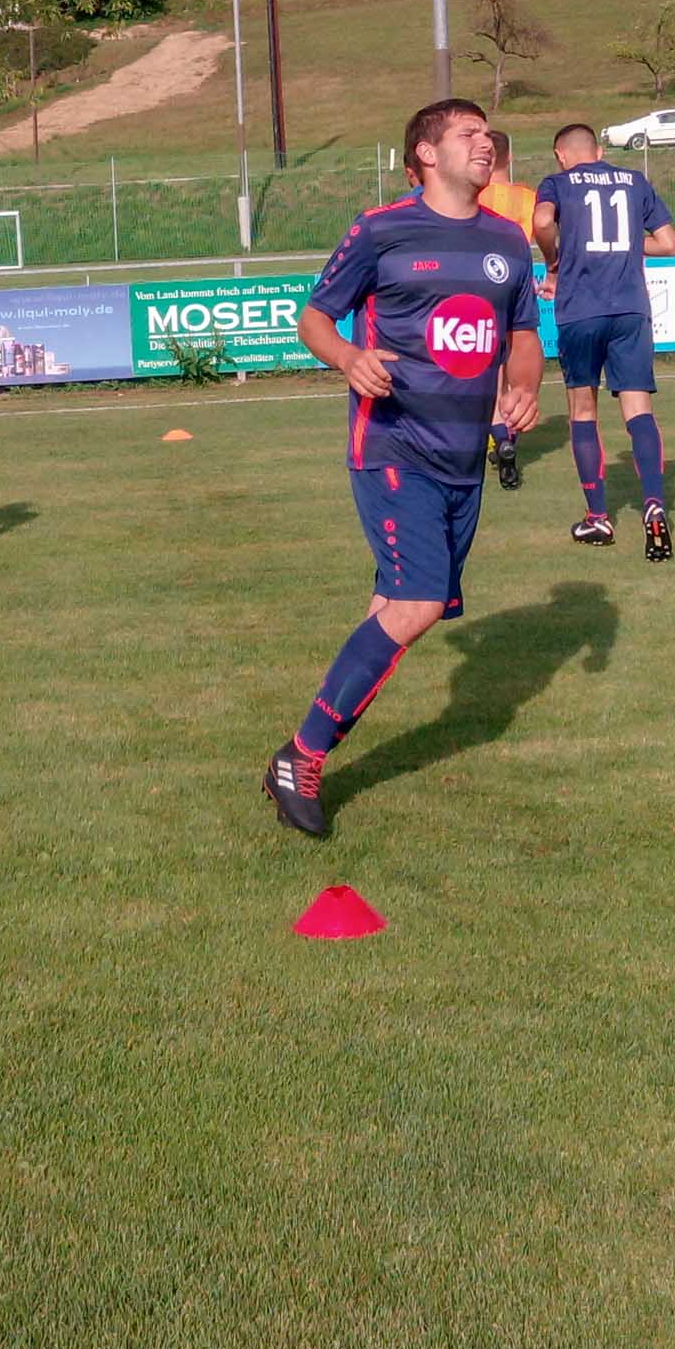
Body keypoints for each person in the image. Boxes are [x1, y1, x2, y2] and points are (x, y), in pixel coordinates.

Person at [260, 99, 543, 836]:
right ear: (425, 152)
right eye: (467, 134)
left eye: (487, 134)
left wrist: (523, 388)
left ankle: (311, 749)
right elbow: (315, 318)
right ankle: (299, 757)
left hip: (463, 457)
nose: (485, 143)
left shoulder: (507, 239)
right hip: (392, 444)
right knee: (417, 603)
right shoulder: (380, 230)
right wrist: (349, 357)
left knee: (393, 610)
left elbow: (521, 335)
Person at [532, 122, 675, 557]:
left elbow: (542, 221)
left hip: (581, 309)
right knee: (638, 407)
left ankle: (598, 517)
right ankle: (654, 505)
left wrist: (554, 260)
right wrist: (628, 244)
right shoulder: (634, 181)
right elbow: (669, 244)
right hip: (630, 309)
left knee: (583, 409)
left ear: (561, 155)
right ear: (599, 151)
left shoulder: (557, 183)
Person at [473, 129, 540, 491]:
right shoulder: (528, 197)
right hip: (517, 282)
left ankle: (496, 438)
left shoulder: (476, 193)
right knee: (516, 368)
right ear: (509, 158)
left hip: (479, 284)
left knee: (486, 372)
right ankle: (509, 434)